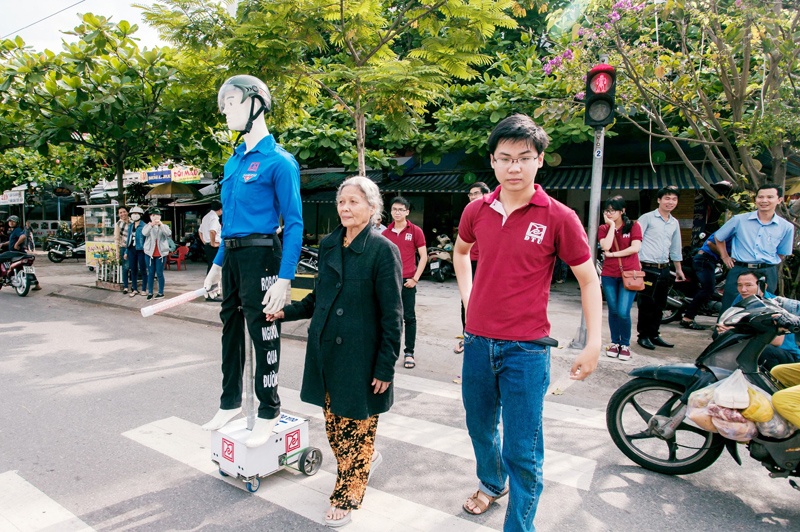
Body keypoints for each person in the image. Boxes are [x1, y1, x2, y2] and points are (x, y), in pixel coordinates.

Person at [453, 114, 602, 531]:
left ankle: (519, 526)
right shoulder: (476, 211)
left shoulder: (559, 217)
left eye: (524, 158)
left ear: (539, 160)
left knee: (523, 450)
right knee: (480, 428)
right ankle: (490, 481)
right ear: (493, 162)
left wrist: (594, 344)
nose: (514, 167)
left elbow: (588, 280)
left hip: (527, 351)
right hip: (479, 344)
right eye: (505, 158)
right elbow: (461, 253)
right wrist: (470, 299)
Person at [268, 176, 402, 527]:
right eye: (342, 201)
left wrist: (385, 367)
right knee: (334, 426)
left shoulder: (382, 250)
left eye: (354, 201)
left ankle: (348, 493)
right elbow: (318, 297)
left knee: (356, 428)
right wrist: (286, 312)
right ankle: (360, 464)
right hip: (327, 353)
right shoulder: (329, 245)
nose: (345, 207)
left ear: (373, 209)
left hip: (362, 357)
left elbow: (393, 315)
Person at [201, 75, 303, 448]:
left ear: (256, 103)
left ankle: (269, 410)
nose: (226, 110)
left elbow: (293, 224)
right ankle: (229, 402)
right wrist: (215, 266)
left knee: (264, 334)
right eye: (224, 104)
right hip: (233, 256)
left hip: (264, 254)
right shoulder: (233, 163)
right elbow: (230, 224)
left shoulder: (279, 162)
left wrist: (285, 277)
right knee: (230, 327)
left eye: (232, 102)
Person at [715, 182, 794, 311]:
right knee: (730, 307)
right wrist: (725, 257)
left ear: (779, 200)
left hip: (767, 271)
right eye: (760, 197)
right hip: (740, 269)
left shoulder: (786, 227)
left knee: (764, 309)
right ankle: (723, 331)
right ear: (755, 199)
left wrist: (767, 263)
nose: (764, 201)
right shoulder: (739, 220)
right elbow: (719, 238)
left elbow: (782, 253)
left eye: (769, 197)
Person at [716, 271, 800, 370]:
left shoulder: (776, 304)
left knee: (764, 351)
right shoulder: (741, 299)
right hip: (756, 345)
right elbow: (727, 322)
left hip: (784, 354)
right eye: (739, 285)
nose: (743, 290)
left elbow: (777, 341)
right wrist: (723, 329)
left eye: (748, 285)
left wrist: (737, 331)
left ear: (763, 286)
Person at [635, 185, 686, 351]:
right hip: (647, 268)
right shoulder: (647, 218)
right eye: (667, 198)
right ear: (659, 200)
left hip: (664, 268)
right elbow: (635, 241)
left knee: (660, 304)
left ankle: (654, 334)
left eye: (674, 199)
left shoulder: (674, 222)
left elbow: (675, 247)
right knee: (646, 304)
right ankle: (643, 336)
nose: (670, 202)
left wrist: (678, 269)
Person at [381, 196, 426, 369]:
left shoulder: (415, 231)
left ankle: (409, 353)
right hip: (389, 281)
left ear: (407, 211)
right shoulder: (385, 234)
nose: (397, 212)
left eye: (401, 209)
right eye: (394, 209)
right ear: (390, 211)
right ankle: (388, 351)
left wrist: (415, 279)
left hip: (408, 281)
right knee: (388, 317)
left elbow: (423, 257)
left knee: (409, 318)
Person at [598, 195, 643, 362]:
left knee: (624, 311)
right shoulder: (604, 228)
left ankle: (625, 344)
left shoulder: (633, 226)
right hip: (609, 274)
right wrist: (610, 226)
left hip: (630, 274)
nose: (609, 213)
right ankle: (614, 342)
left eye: (613, 210)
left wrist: (613, 255)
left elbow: (635, 248)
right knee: (614, 310)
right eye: (607, 210)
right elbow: (605, 246)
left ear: (622, 211)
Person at [455, 181, 490, 354]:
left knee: (487, 299)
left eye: (476, 193)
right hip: (469, 262)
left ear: (486, 194)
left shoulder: (492, 213)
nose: (472, 197)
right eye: (470, 194)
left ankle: (486, 336)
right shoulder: (468, 213)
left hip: (487, 263)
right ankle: (467, 336)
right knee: (466, 299)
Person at [679, 231, 728, 330]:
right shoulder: (730, 230)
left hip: (709, 260)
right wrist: (725, 256)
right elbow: (710, 243)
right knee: (708, 289)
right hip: (705, 260)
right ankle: (688, 318)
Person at [142, 207, 172, 301]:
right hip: (149, 253)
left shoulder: (164, 226)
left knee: (159, 273)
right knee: (150, 273)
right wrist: (151, 225)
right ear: (150, 216)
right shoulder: (148, 226)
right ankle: (150, 292)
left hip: (161, 253)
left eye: (157, 215)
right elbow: (144, 233)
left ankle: (160, 292)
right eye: (153, 215)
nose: (155, 217)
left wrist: (161, 225)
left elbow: (168, 234)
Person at [125, 206, 147, 297]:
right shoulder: (130, 226)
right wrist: (126, 251)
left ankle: (144, 289)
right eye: (133, 214)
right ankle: (134, 288)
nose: (134, 215)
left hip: (141, 249)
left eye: (137, 214)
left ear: (140, 215)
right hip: (131, 249)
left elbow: (146, 239)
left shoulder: (144, 226)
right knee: (133, 269)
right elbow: (128, 239)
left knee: (143, 269)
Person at [199, 200, 223, 274]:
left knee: (211, 265)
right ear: (220, 209)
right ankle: (210, 284)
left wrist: (204, 241)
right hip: (214, 246)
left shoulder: (206, 217)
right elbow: (212, 231)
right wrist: (212, 243)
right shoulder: (214, 218)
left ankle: (209, 284)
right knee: (215, 267)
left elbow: (200, 231)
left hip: (207, 244)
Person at [113, 206, 131, 293]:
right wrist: (117, 251)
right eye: (120, 212)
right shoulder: (118, 224)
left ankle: (134, 286)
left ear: (127, 212)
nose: (122, 214)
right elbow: (117, 239)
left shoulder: (133, 221)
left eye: (124, 212)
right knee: (125, 267)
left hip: (133, 247)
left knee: (135, 267)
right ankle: (126, 286)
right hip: (124, 247)